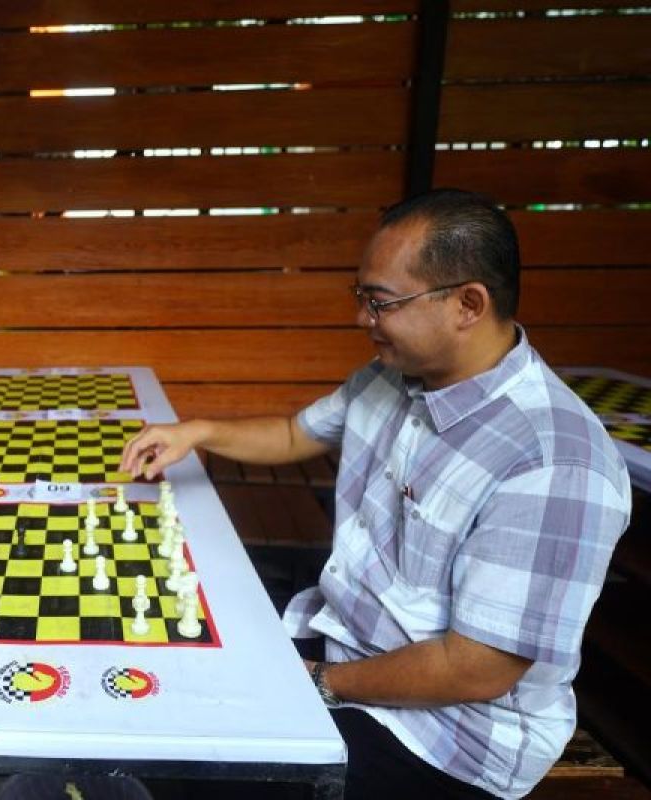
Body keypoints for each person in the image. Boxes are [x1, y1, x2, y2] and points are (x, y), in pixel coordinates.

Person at [120, 189, 631, 799]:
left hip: (449, 738)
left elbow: (478, 670)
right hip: (343, 639)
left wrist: (319, 681)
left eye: (381, 302)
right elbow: (293, 433)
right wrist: (197, 432)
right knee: (160, 658)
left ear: (468, 304)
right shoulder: (394, 379)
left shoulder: (553, 460)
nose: (362, 318)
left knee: (193, 766)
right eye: (362, 297)